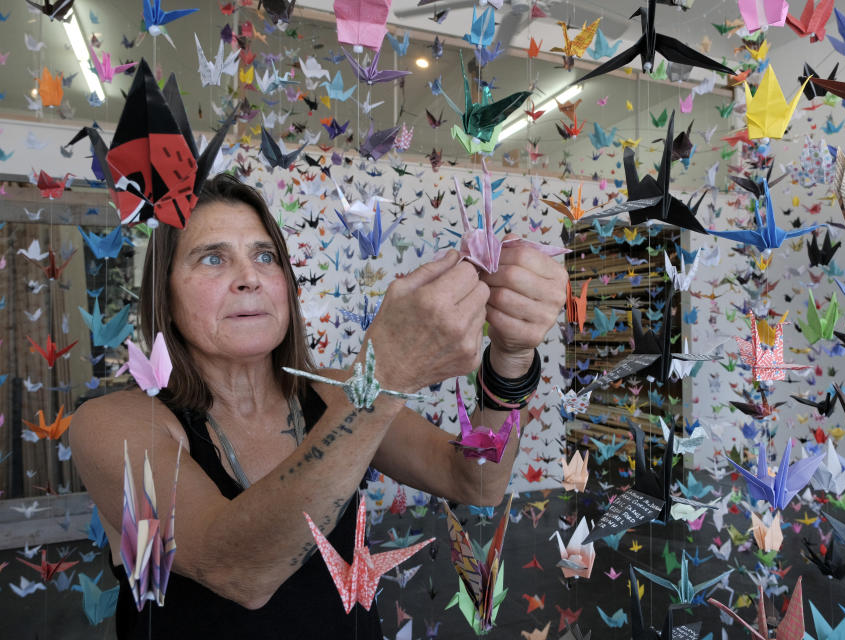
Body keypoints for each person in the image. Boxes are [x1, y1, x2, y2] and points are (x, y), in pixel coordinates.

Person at [69, 173, 568, 639]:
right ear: (167, 295)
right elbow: (239, 572)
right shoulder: (117, 424)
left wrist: (510, 356)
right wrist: (385, 378)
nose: (250, 278)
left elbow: (475, 480)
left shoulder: (332, 392)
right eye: (213, 258)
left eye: (265, 257)